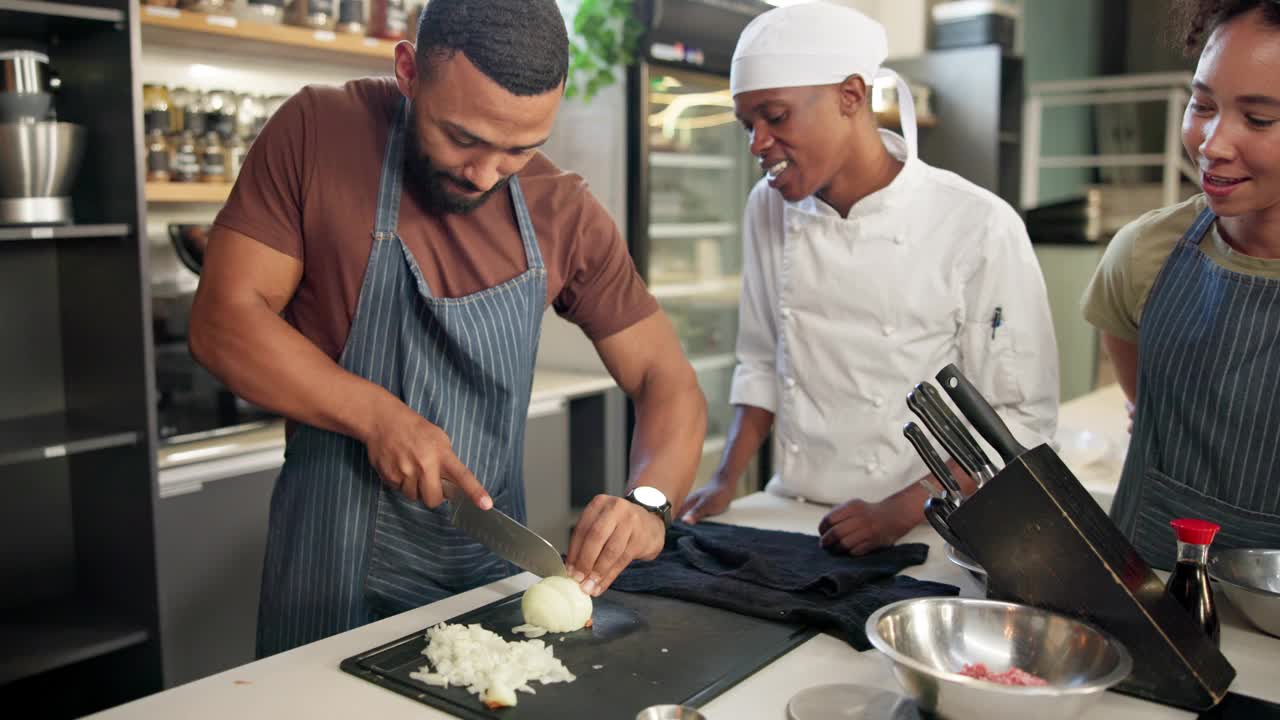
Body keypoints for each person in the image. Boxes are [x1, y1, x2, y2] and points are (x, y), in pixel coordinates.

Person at [188, 0, 707, 657]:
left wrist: (650, 500)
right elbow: (223, 320)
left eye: (520, 149)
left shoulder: (563, 212)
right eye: (462, 137)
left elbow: (670, 380)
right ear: (408, 70)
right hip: (325, 576)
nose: (484, 173)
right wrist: (379, 417)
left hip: (487, 583)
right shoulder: (319, 132)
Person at [678, 3, 1059, 555]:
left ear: (851, 96)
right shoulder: (768, 207)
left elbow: (1020, 418)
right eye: (747, 125)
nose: (756, 143)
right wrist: (725, 479)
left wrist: (898, 512)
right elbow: (761, 359)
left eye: (775, 117)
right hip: (795, 512)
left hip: (935, 526)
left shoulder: (977, 224)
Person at [1082, 0, 1280, 568]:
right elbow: (1148, 407)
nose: (1213, 144)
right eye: (1202, 104)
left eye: (1259, 119)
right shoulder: (1144, 256)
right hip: (1150, 597)